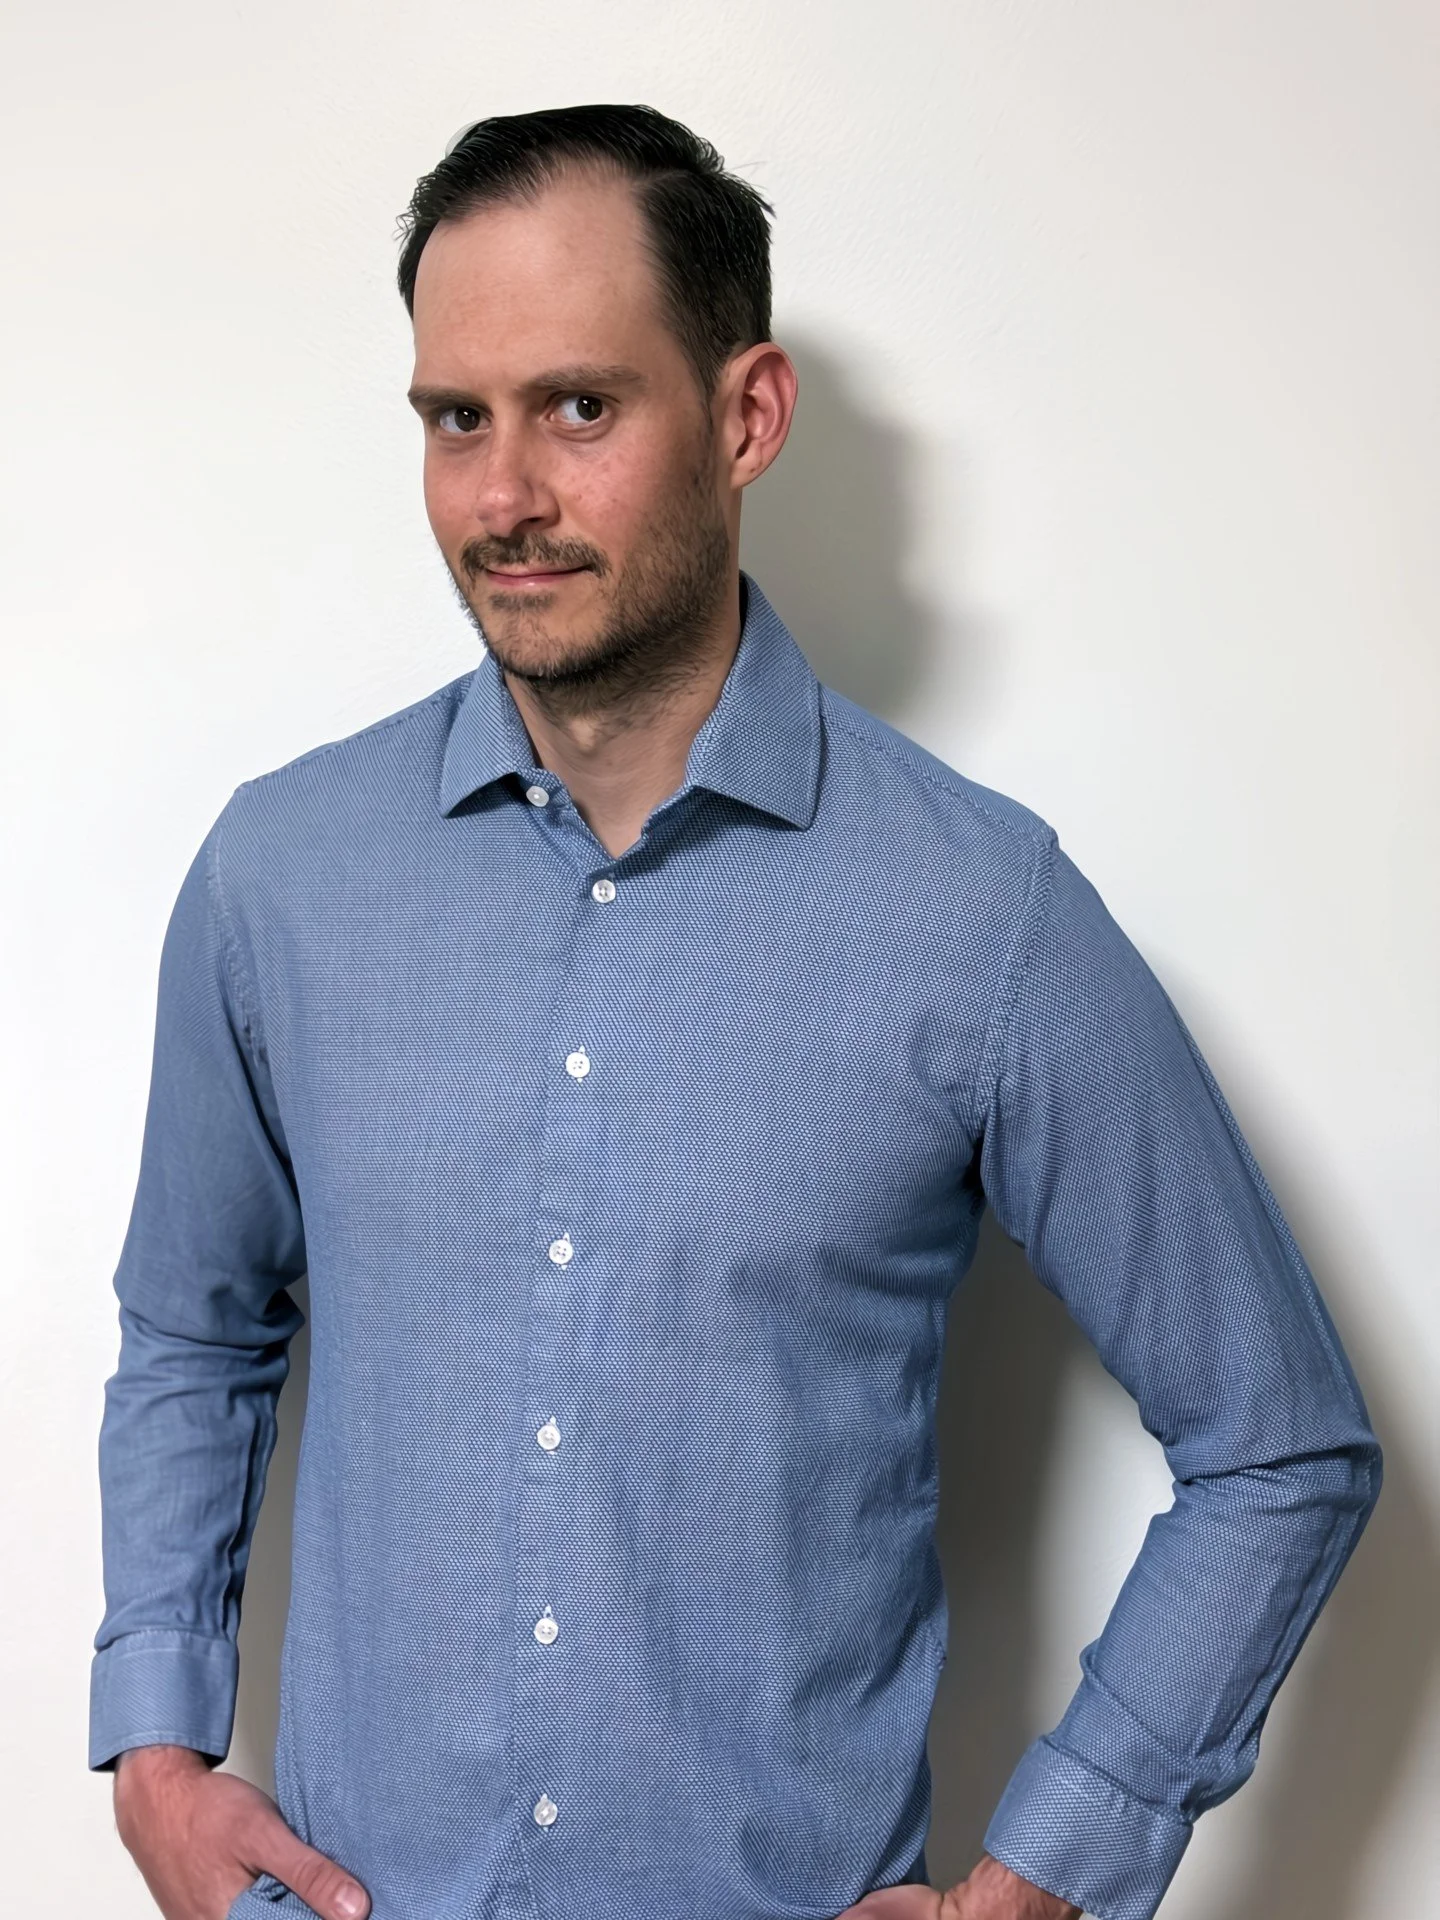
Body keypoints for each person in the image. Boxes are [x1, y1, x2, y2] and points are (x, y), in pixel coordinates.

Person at [90, 104, 1382, 1920]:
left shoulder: (980, 914)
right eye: (456, 419)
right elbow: (191, 1330)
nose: (503, 495)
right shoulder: (276, 878)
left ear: (747, 415)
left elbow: (1280, 1442)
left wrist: (1047, 1877)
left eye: (580, 408)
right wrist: (156, 1748)